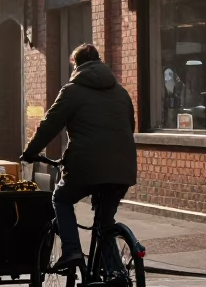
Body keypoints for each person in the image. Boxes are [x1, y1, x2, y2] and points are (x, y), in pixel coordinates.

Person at [21, 44, 137, 269]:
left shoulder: (72, 90)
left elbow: (49, 125)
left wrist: (30, 152)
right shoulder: (121, 92)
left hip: (85, 166)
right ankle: (115, 273)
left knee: (61, 199)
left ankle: (72, 251)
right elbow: (129, 127)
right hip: (123, 168)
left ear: (76, 64)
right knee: (105, 223)